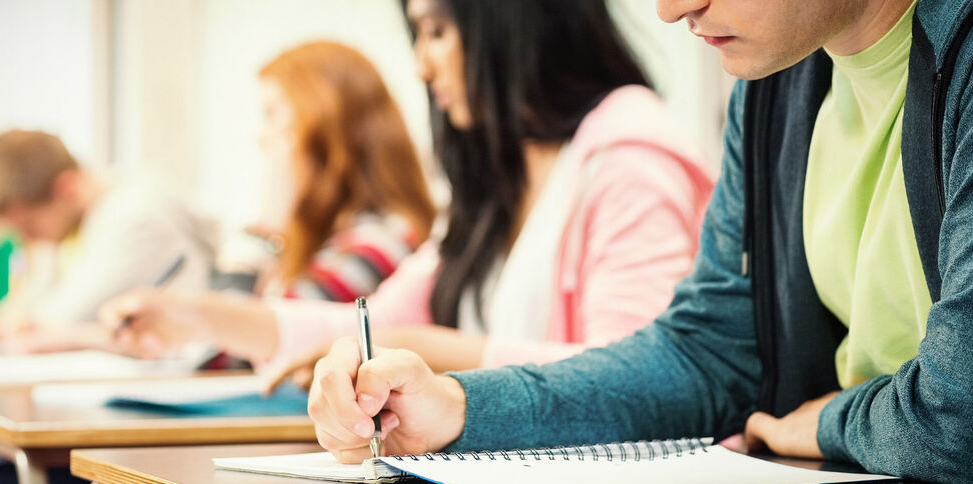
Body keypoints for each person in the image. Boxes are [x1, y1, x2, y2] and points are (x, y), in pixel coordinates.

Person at [301, 0, 973, 484]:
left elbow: (961, 412)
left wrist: (830, 422)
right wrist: (460, 408)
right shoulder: (774, 87)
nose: (670, 9)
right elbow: (707, 357)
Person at [101, 0, 714, 379]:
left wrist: (422, 349)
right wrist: (197, 315)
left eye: (438, 32)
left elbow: (635, 379)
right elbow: (377, 324)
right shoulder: (497, 181)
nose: (421, 66)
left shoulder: (630, 159)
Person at [0, 129, 216, 350]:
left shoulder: (132, 215)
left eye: (29, 227)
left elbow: (51, 322)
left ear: (66, 187)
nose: (27, 240)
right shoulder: (72, 229)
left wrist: (18, 325)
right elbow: (24, 316)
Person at [252, 41, 434, 302]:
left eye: (271, 114)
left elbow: (263, 324)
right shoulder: (335, 238)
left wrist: (265, 229)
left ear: (323, 126)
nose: (262, 137)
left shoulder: (381, 243)